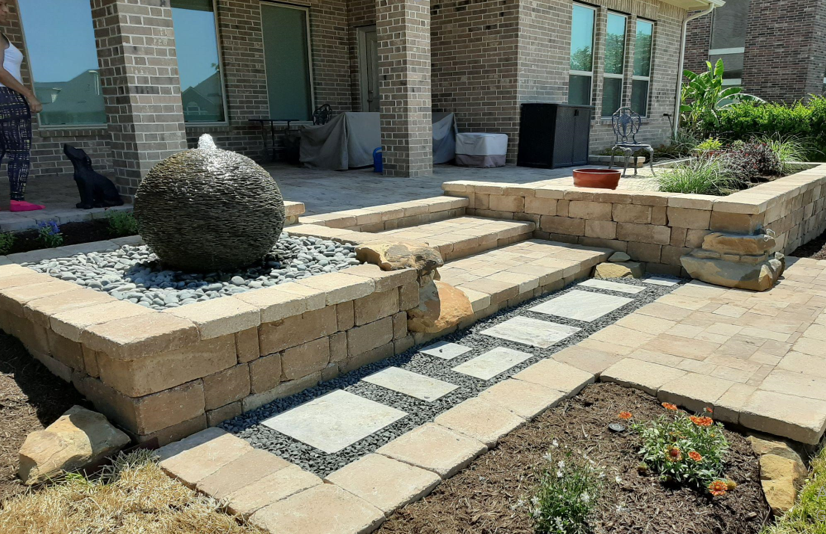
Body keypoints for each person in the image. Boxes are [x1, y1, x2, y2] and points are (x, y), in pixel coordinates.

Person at [0, 0, 44, 212]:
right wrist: (29, 95)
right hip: (8, 99)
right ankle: (17, 200)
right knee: (19, 151)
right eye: (2, 5)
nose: (6, 10)